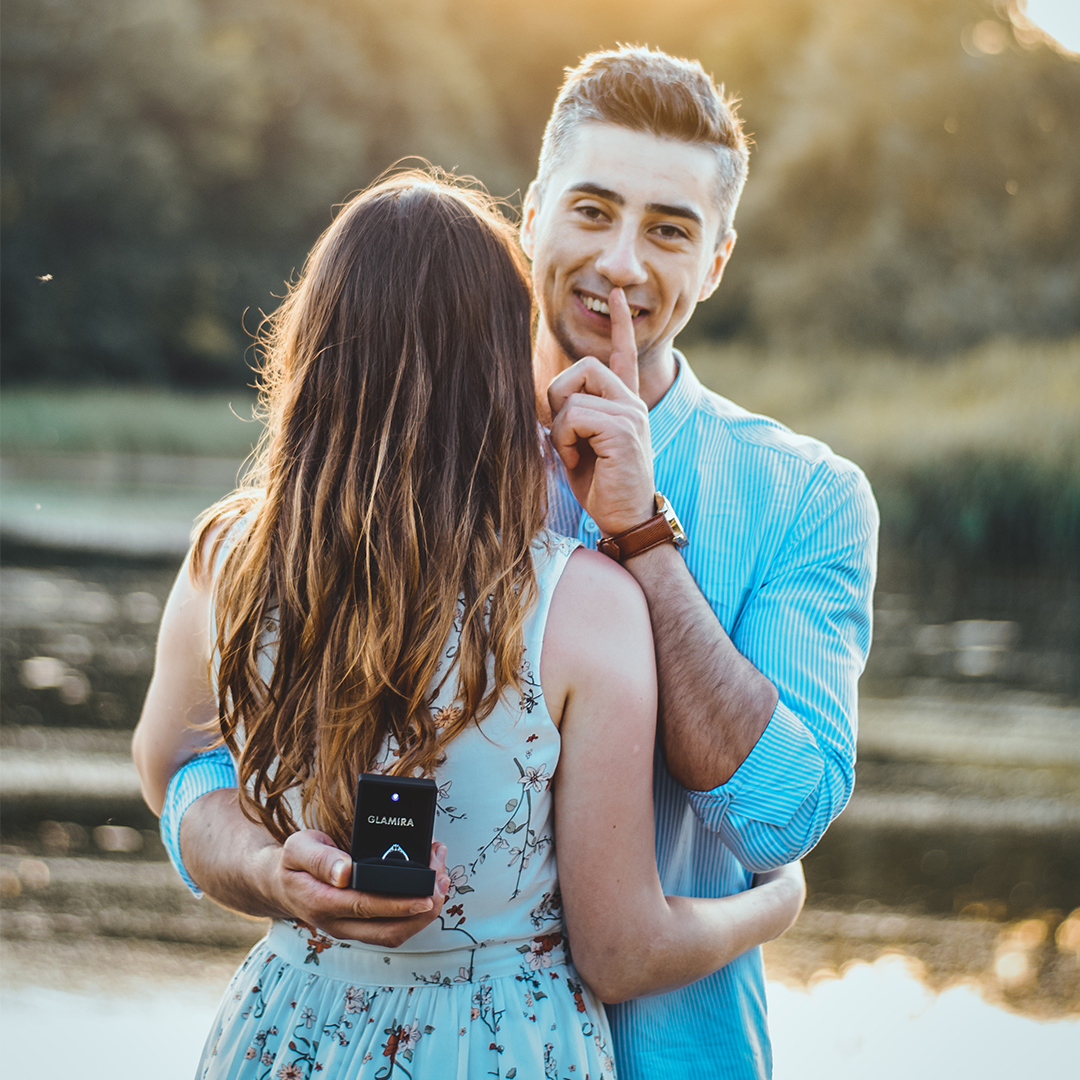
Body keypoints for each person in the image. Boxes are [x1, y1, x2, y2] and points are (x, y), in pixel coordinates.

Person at [142, 46, 878, 1078]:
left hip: (683, 1057)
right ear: (530, 214)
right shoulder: (383, 461)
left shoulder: (809, 495)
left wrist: (644, 537)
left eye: (669, 230)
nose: (622, 260)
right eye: (591, 208)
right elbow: (199, 758)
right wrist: (267, 867)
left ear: (714, 261)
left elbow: (782, 815)